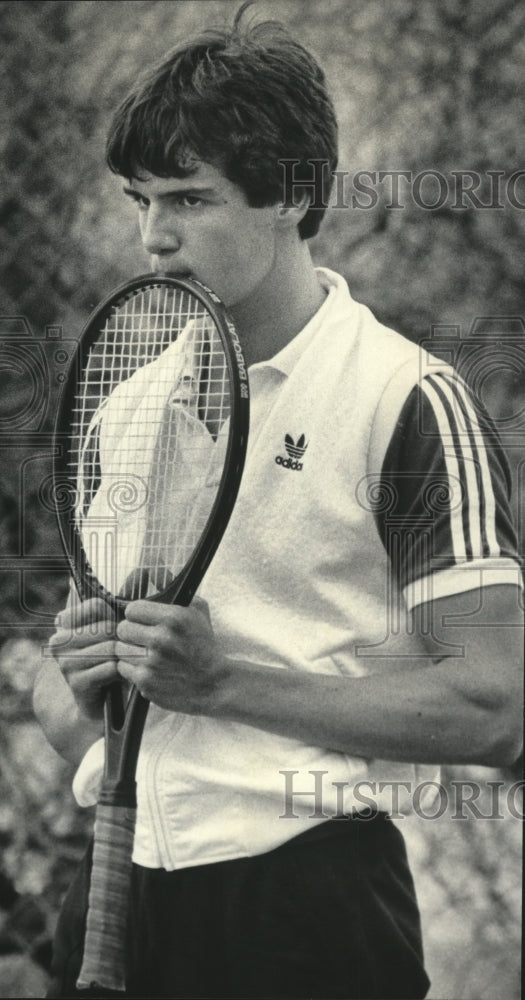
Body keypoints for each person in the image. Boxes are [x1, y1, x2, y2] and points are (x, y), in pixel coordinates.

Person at [33, 4, 523, 998]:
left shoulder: (407, 401)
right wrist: (84, 691)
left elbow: (494, 705)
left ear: (295, 197)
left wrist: (224, 685)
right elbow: (72, 703)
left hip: (310, 909)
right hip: (123, 900)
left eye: (189, 198)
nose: (153, 236)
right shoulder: (122, 410)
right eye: (139, 198)